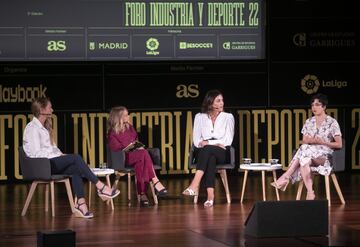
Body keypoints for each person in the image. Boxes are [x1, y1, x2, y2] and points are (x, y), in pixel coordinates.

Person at [23, 97, 120, 219]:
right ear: (42, 110)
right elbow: (36, 153)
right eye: (49, 107)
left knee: (75, 168)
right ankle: (101, 187)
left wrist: (60, 154)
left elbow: (52, 148)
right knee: (75, 158)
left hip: (49, 163)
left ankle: (81, 204)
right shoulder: (32, 128)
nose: (52, 110)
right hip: (40, 166)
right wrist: (58, 156)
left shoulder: (45, 128)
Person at [271, 93, 342, 200]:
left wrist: (323, 143)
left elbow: (339, 144)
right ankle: (310, 193)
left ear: (324, 107)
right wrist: (313, 140)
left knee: (303, 150)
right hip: (309, 155)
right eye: (312, 105)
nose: (314, 107)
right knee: (304, 161)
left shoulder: (332, 122)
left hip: (324, 157)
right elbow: (304, 141)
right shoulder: (309, 122)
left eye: (317, 104)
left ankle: (286, 176)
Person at [107, 106, 168, 207]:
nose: (129, 116)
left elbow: (135, 140)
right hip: (123, 159)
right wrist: (130, 147)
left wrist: (136, 146)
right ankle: (155, 180)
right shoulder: (112, 132)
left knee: (141, 160)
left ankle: (143, 194)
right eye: (126, 115)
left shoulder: (130, 127)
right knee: (143, 153)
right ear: (119, 117)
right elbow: (115, 149)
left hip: (135, 155)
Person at [182, 89, 234, 207]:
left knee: (208, 149)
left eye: (222, 100)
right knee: (210, 157)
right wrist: (214, 143)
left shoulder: (228, 117)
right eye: (218, 101)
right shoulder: (199, 117)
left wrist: (208, 142)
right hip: (205, 152)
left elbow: (228, 140)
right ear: (211, 103)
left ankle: (194, 185)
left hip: (221, 152)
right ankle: (210, 196)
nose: (221, 103)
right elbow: (196, 141)